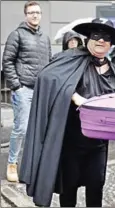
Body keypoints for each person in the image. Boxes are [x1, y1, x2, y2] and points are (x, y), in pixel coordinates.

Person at [19, 18, 115, 207]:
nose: (101, 41)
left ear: (111, 44)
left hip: (98, 146)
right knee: (68, 191)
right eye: (96, 35)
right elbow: (46, 77)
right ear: (87, 39)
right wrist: (74, 96)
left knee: (96, 188)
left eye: (106, 37)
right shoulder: (72, 59)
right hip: (71, 142)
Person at [2, 1, 51, 183]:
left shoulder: (45, 38)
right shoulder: (17, 35)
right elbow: (7, 61)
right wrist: (17, 86)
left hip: (41, 91)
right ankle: (12, 163)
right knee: (21, 128)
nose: (35, 15)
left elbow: (49, 63)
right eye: (31, 12)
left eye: (37, 12)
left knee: (38, 130)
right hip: (23, 89)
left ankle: (31, 166)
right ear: (26, 15)